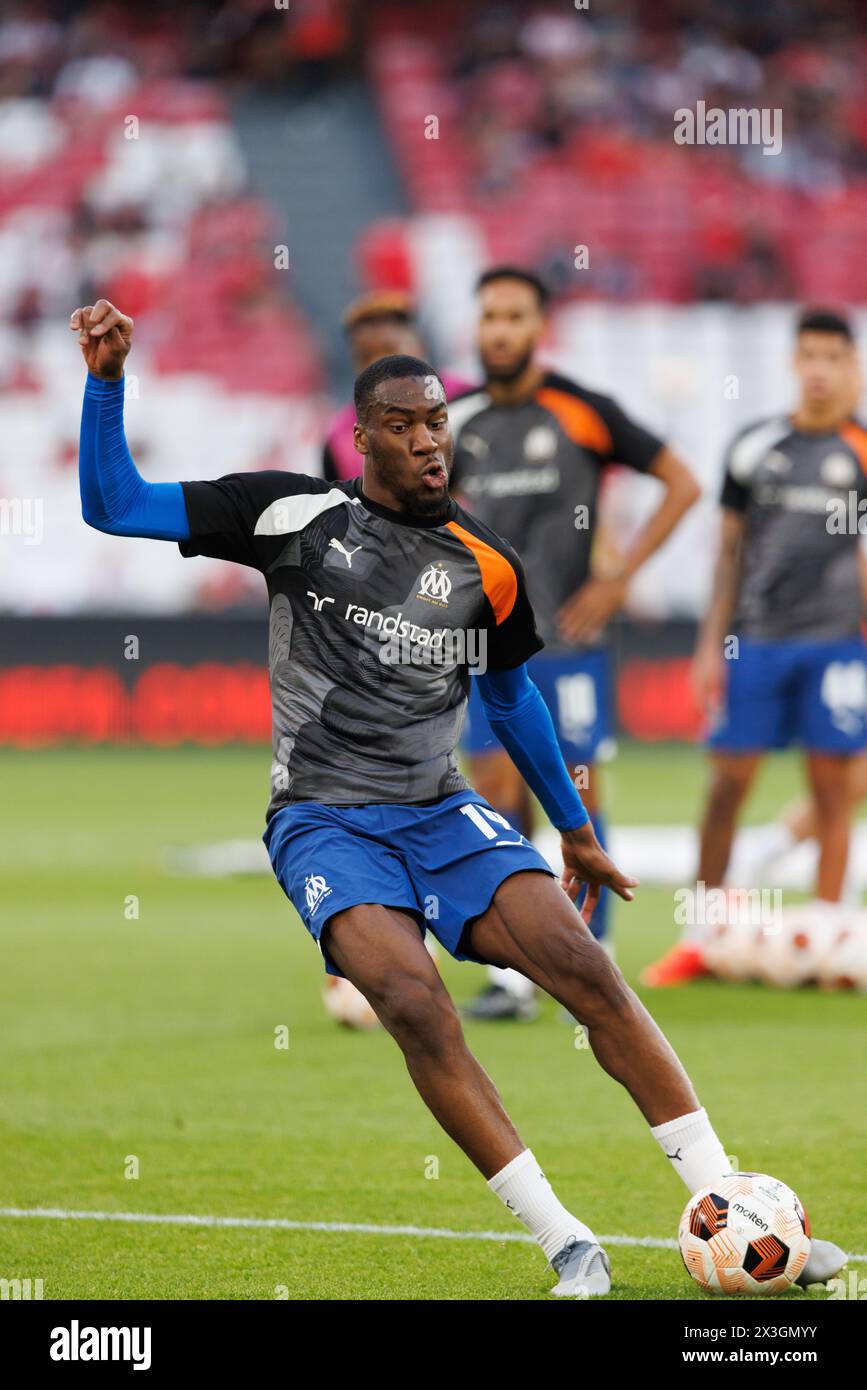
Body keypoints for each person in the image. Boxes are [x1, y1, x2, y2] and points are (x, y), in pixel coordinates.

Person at [72, 297, 844, 1296]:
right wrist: (105, 384)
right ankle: (569, 1241)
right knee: (412, 1000)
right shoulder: (289, 516)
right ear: (364, 439)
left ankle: (728, 1200)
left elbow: (512, 699)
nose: (430, 440)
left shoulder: (486, 566)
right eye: (405, 425)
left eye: (437, 421)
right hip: (323, 820)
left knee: (586, 966)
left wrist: (575, 830)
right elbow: (113, 503)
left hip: (440, 810)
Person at [448, 266, 701, 1019]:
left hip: (570, 643)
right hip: (486, 649)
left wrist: (618, 575)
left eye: (514, 315)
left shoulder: (581, 411)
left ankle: (596, 956)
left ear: (538, 327)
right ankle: (513, 974)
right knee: (493, 797)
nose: (499, 329)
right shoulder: (453, 419)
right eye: (488, 314)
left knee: (578, 793)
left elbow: (681, 481)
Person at [644, 307, 867, 987]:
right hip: (756, 644)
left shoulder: (859, 451)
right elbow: (727, 555)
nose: (820, 370)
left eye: (833, 357)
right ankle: (701, 932)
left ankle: (829, 935)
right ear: (793, 363)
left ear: (850, 367)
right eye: (809, 357)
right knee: (724, 786)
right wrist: (711, 646)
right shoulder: (752, 446)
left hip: (835, 646)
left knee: (832, 792)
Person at [322, 289, 468, 483]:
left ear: (420, 348)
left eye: (389, 350)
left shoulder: (467, 400)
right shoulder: (341, 436)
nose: (377, 365)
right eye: (365, 356)